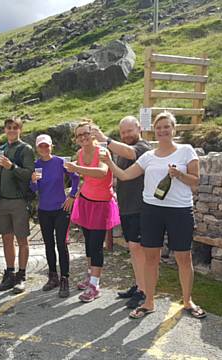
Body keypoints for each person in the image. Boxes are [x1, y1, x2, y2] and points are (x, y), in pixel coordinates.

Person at [101, 112, 206, 320]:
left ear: (173, 129)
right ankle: (148, 302)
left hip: (180, 210)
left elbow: (195, 181)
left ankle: (187, 301)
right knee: (151, 259)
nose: (163, 131)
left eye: (167, 127)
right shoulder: (148, 156)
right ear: (154, 131)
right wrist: (109, 162)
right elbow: (124, 175)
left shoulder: (186, 151)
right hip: (151, 211)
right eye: (159, 128)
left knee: (184, 257)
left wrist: (180, 175)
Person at [92, 116, 152, 309]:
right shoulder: (121, 151)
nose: (126, 135)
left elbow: (130, 152)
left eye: (129, 131)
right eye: (123, 132)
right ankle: (139, 284)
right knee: (133, 249)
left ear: (139, 129)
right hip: (126, 207)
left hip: (139, 208)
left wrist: (105, 140)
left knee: (138, 249)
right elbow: (119, 173)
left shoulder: (143, 147)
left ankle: (144, 291)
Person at [64, 120, 120, 303]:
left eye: (85, 133)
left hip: (101, 204)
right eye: (79, 135)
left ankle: (95, 286)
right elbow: (84, 179)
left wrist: (77, 168)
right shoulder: (80, 153)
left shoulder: (102, 151)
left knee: (96, 245)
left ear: (93, 133)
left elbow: (102, 172)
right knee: (88, 242)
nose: (83, 137)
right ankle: (90, 276)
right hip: (86, 202)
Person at [29, 134, 79, 298]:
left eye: (46, 146)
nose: (44, 149)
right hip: (44, 211)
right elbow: (34, 189)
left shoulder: (59, 162)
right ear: (37, 148)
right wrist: (33, 181)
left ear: (51, 147)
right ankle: (53, 276)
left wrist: (72, 196)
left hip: (60, 209)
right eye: (41, 146)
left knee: (61, 244)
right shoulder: (36, 165)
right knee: (48, 244)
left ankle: (65, 278)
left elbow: (75, 176)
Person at [0, 116, 35, 294]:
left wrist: (11, 167)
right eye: (8, 127)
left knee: (22, 240)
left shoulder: (26, 149)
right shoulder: (2, 148)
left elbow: (28, 174)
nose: (11, 130)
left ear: (20, 130)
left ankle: (22, 275)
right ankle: (10, 274)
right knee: (6, 239)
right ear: (4, 130)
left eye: (15, 127)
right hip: (2, 201)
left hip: (18, 200)